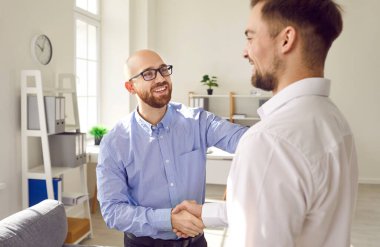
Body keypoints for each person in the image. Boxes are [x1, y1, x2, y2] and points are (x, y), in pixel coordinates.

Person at [173, 0, 359, 246]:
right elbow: (286, 207)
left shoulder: (269, 141)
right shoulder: (333, 120)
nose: (245, 52)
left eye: (250, 38)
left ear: (286, 40)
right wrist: (208, 213)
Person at [96, 49, 248, 246]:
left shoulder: (198, 121)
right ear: (130, 87)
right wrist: (169, 219)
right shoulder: (115, 142)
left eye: (163, 70)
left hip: (195, 242)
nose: (160, 78)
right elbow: (113, 211)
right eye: (148, 74)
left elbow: (246, 140)